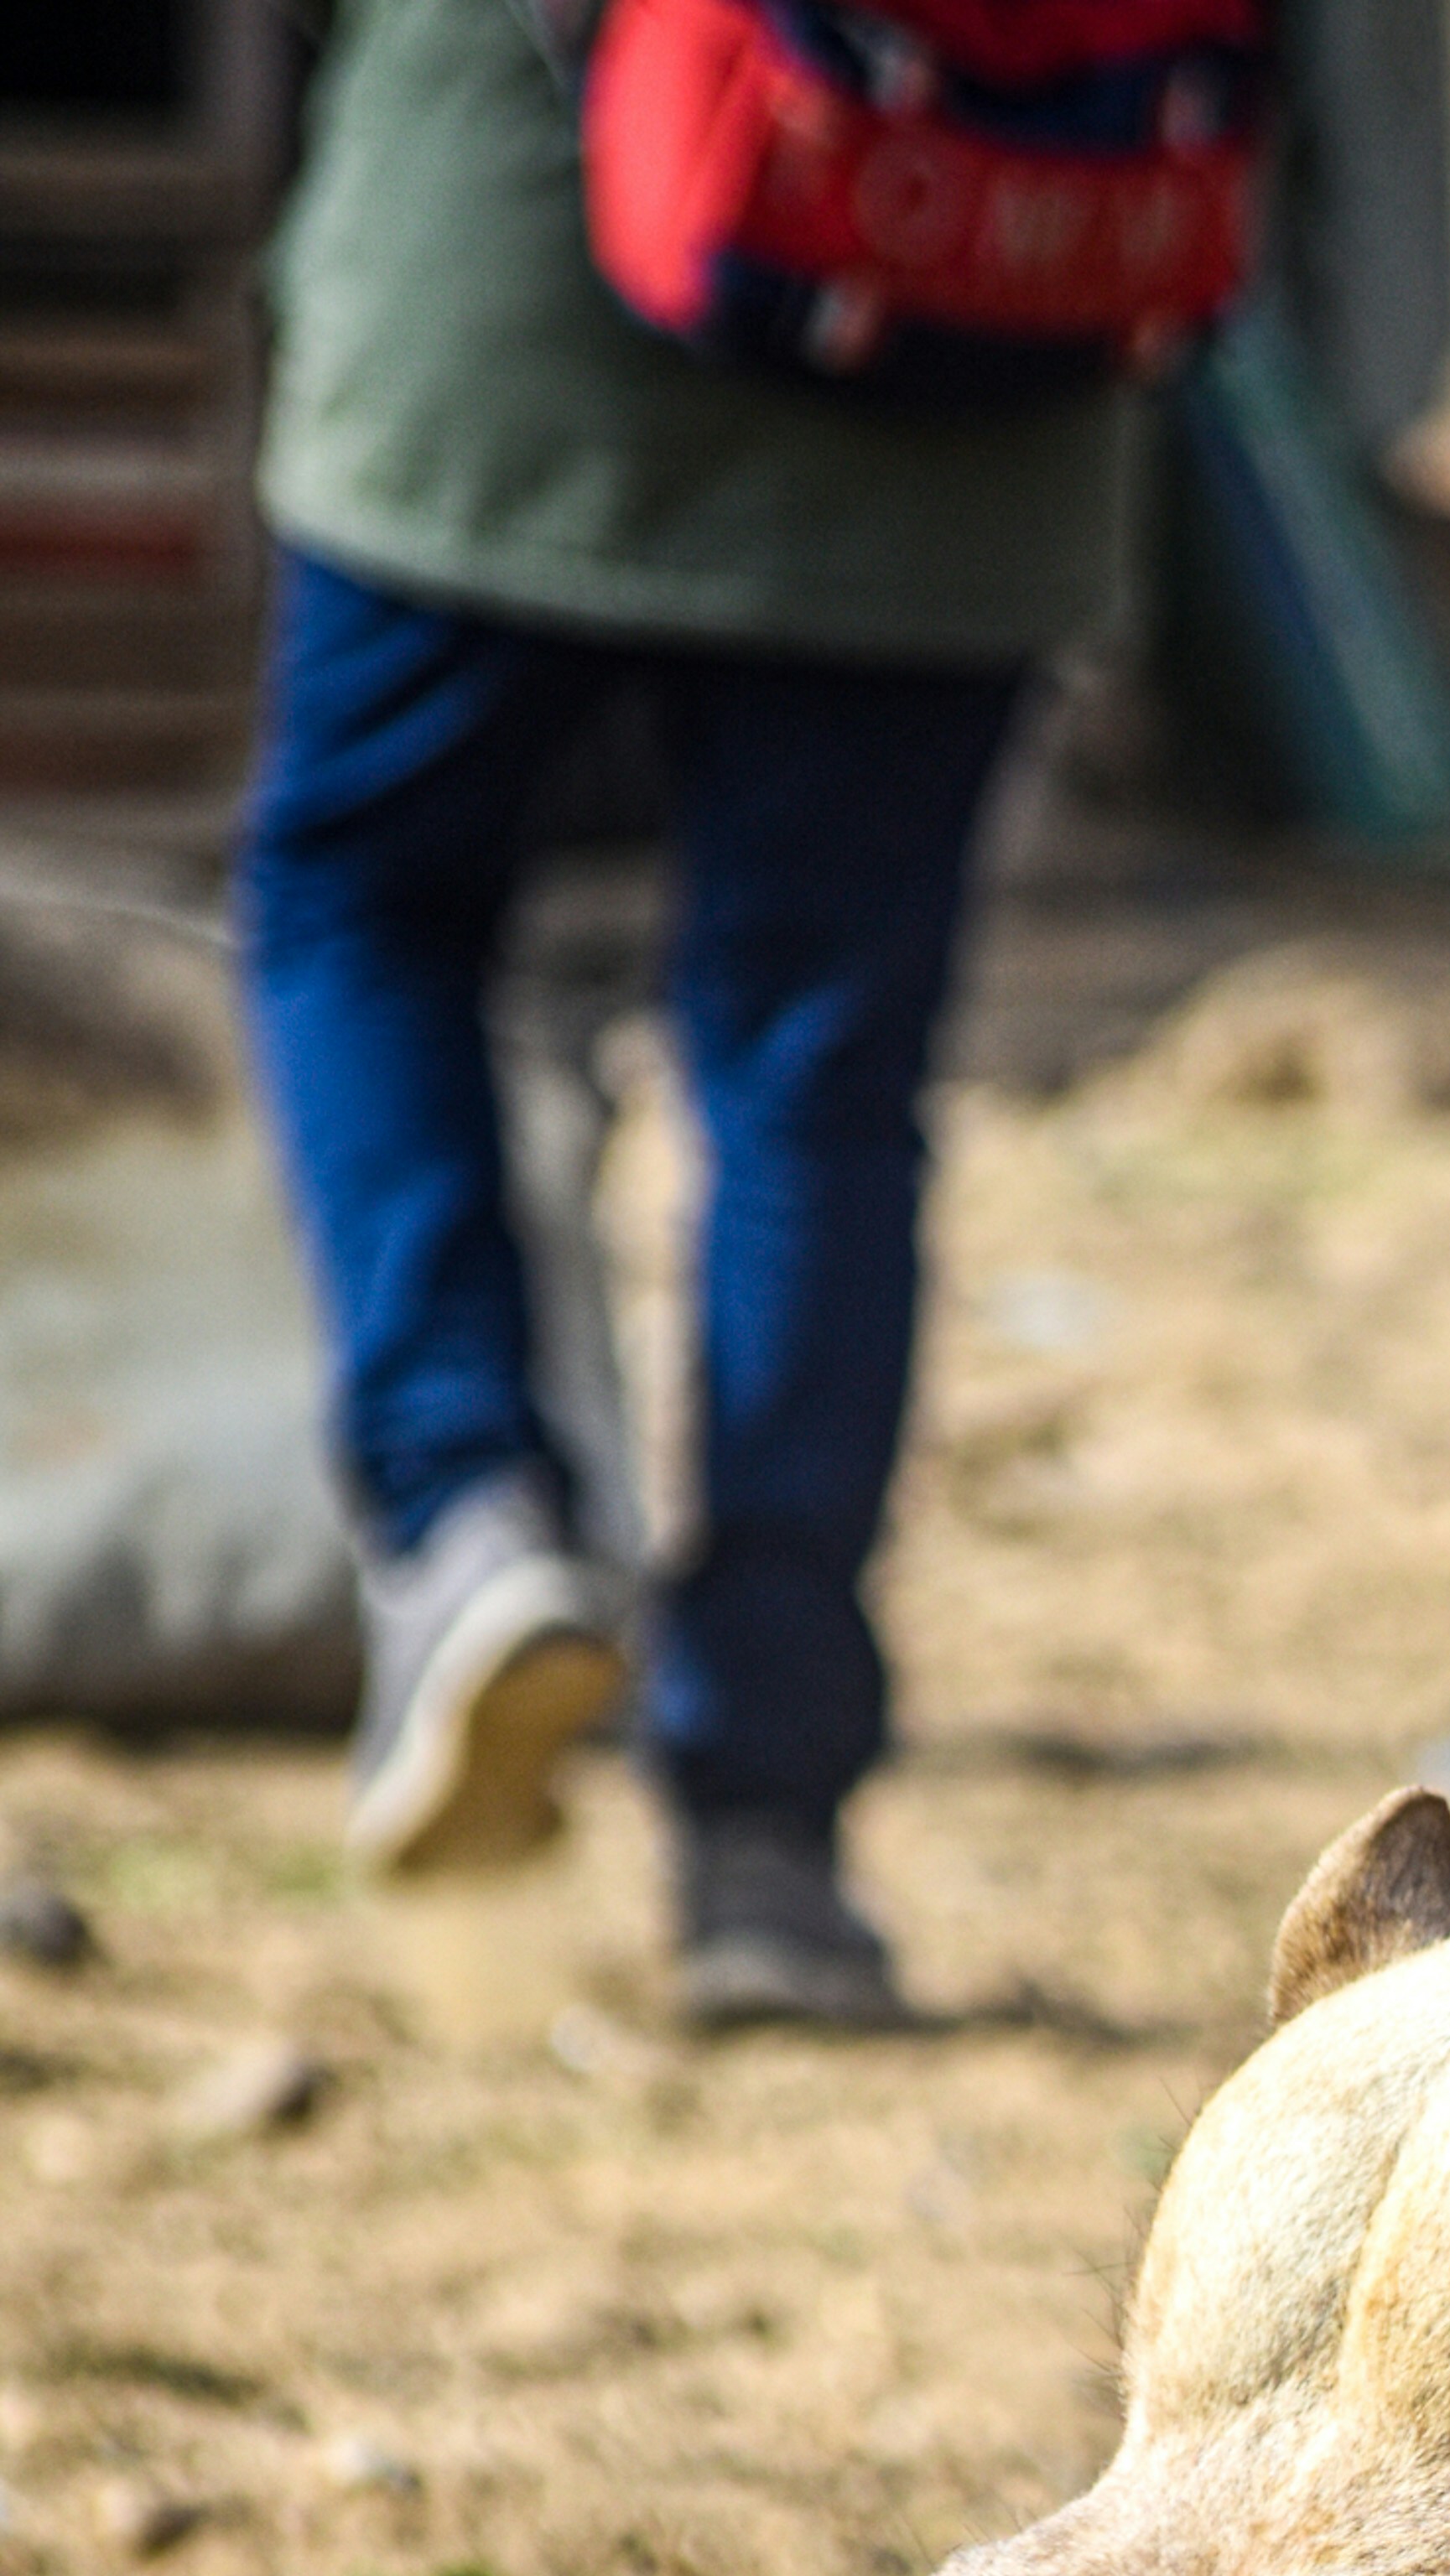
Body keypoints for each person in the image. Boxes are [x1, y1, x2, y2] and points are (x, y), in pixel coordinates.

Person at [237, 0, 1143, 2026]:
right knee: (817, 1082)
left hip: (507, 270)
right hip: (983, 309)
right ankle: (768, 1839)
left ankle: (467, 1511)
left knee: (358, 908)